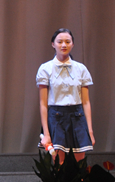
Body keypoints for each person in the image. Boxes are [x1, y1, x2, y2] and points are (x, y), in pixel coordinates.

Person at [37, 28, 94, 163]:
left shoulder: (81, 69)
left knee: (79, 165)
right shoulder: (45, 69)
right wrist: (46, 133)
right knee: (60, 164)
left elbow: (86, 102)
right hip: (56, 117)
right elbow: (43, 104)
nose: (64, 45)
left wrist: (90, 131)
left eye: (68, 42)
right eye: (60, 42)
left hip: (77, 116)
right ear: (53, 44)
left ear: (72, 44)